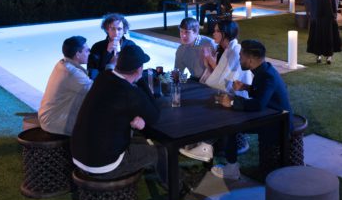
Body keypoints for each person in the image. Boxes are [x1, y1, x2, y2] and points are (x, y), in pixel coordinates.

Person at [71, 45, 165, 181]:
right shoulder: (130, 93)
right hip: (104, 165)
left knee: (142, 142)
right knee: (160, 151)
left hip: (79, 155)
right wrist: (141, 80)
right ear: (139, 69)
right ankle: (179, 187)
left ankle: (152, 171)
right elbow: (154, 115)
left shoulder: (103, 77)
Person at [212, 39, 293, 180]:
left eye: (241, 56)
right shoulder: (264, 70)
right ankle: (230, 164)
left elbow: (258, 104)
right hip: (269, 115)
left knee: (231, 125)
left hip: (278, 122)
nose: (239, 59)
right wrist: (245, 87)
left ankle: (232, 169)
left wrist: (232, 102)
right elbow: (263, 94)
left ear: (250, 60)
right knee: (231, 120)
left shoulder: (267, 76)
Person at [180, 20, 253, 161]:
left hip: (237, 97)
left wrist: (209, 60)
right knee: (198, 100)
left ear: (225, 33)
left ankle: (206, 145)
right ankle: (196, 139)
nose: (213, 33)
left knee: (207, 104)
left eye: (217, 31)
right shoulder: (224, 50)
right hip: (225, 91)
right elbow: (220, 73)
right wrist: (208, 64)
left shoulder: (234, 50)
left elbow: (228, 78)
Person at [38, 36, 92, 136]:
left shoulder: (63, 64)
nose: (90, 53)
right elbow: (97, 92)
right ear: (78, 54)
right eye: (87, 51)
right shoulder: (72, 73)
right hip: (56, 124)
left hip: (49, 118)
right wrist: (111, 66)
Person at [306, 0, 342, 64]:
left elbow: (311, 3)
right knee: (328, 37)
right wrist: (334, 15)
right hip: (328, 19)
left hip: (317, 18)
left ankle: (318, 56)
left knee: (318, 36)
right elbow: (334, 4)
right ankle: (329, 57)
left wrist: (313, 15)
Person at [87, 14, 135, 80]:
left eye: (119, 29)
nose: (116, 33)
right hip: (104, 81)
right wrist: (107, 52)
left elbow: (135, 68)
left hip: (125, 81)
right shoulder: (97, 47)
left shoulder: (130, 45)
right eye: (112, 29)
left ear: (124, 30)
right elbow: (92, 70)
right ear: (107, 29)